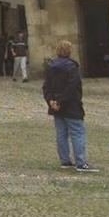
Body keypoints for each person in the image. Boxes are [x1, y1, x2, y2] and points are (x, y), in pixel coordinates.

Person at [42, 40, 99, 172]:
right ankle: (81, 162)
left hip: (56, 105)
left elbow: (46, 86)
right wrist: (59, 101)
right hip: (70, 104)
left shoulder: (50, 66)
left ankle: (65, 160)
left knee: (61, 134)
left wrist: (51, 101)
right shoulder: (71, 67)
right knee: (77, 133)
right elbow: (72, 87)